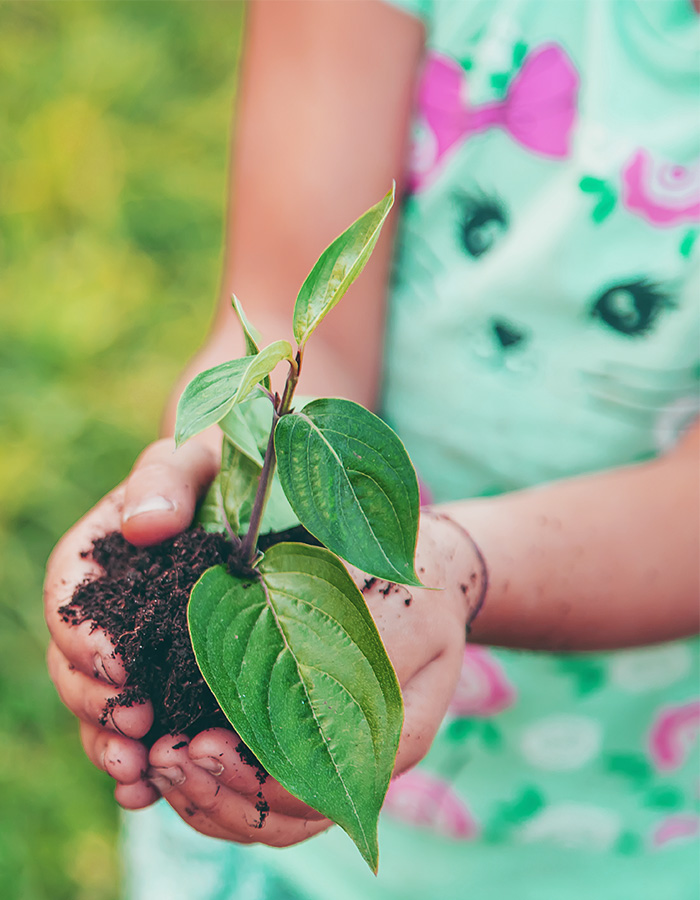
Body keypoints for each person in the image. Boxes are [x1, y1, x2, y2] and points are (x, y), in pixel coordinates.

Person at [44, 1, 700, 898]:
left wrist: (452, 570)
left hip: (629, 825)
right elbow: (283, 315)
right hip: (262, 829)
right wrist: (205, 459)